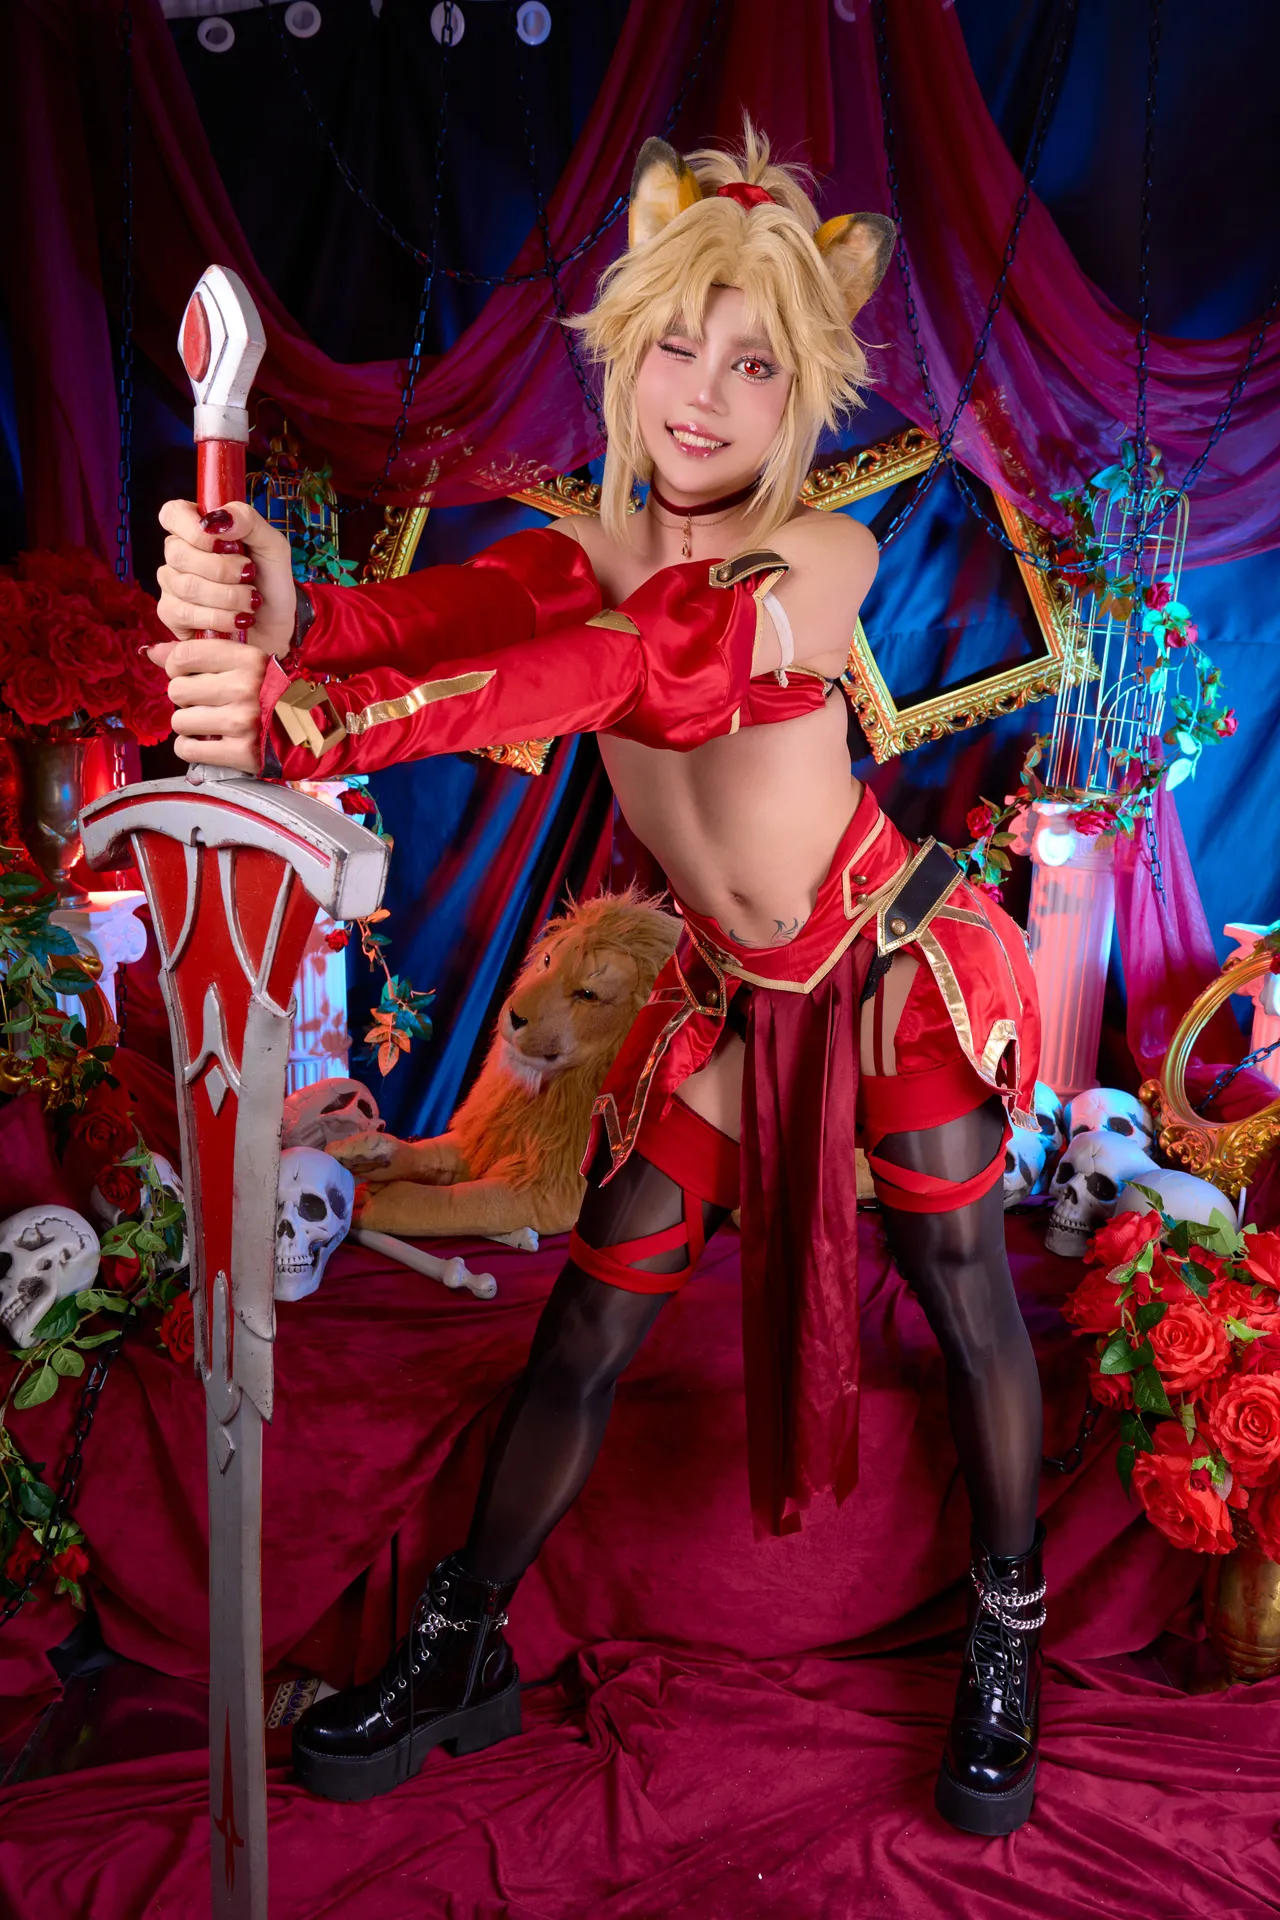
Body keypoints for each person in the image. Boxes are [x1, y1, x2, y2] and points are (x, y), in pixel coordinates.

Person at [150, 125, 1045, 1837]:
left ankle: (1009, 1640)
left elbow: (649, 671)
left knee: (964, 1288)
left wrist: (326, 723)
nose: (703, 396)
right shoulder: (584, 544)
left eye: (755, 364)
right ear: (623, 353)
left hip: (885, 959)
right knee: (585, 1323)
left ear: (806, 396)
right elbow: (441, 619)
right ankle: (459, 1648)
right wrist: (285, 609)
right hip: (728, 993)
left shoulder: (821, 559)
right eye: (675, 347)